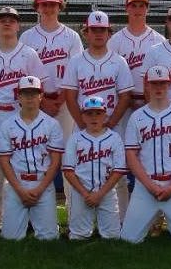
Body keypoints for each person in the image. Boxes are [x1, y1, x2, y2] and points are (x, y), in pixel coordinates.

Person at [0, 7, 49, 233]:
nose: (7, 23)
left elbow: (40, 85)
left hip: (21, 113)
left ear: (18, 25)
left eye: (12, 20)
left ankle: (28, 216)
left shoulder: (29, 54)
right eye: (2, 20)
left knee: (26, 163)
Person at [61, 10, 134, 219]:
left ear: (109, 33)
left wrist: (110, 123)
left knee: (118, 173)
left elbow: (125, 96)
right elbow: (70, 96)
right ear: (86, 33)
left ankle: (121, 221)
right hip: (83, 125)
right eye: (94, 30)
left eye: (103, 30)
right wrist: (82, 124)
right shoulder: (76, 61)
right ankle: (75, 219)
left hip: (113, 125)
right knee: (76, 171)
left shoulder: (119, 61)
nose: (99, 34)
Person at [119, 65, 171, 243]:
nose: (159, 87)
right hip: (145, 187)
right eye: (154, 83)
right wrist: (150, 186)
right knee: (128, 239)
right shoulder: (137, 117)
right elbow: (131, 155)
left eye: (162, 83)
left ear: (169, 84)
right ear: (147, 85)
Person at [0, 77, 64, 240]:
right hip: (16, 184)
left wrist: (40, 189)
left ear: (41, 96)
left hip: (42, 183)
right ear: (19, 97)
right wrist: (19, 190)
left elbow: (55, 162)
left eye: (34, 93)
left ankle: (46, 224)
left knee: (49, 238)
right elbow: (4, 161)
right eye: (25, 93)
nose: (30, 98)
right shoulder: (8, 125)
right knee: (10, 238)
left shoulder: (52, 124)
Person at [62, 96, 128, 240]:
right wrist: (85, 194)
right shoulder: (75, 138)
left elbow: (119, 171)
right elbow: (68, 171)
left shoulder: (114, 138)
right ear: (82, 116)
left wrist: (100, 194)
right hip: (81, 193)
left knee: (112, 237)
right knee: (78, 236)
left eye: (98, 113)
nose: (94, 117)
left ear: (105, 115)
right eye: (89, 113)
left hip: (107, 193)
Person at [20, 0, 82, 138]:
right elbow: (22, 73)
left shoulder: (72, 36)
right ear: (37, 7)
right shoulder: (27, 37)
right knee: (36, 145)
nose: (48, 9)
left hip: (65, 103)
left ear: (60, 7)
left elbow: (77, 72)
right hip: (34, 101)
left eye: (53, 4)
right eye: (44, 4)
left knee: (64, 145)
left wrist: (60, 101)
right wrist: (43, 101)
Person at [108, 0, 166, 111]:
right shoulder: (115, 40)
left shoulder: (159, 40)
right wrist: (125, 99)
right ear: (127, 8)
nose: (137, 10)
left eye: (141, 6)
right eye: (133, 6)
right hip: (122, 101)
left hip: (152, 100)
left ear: (147, 9)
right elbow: (110, 74)